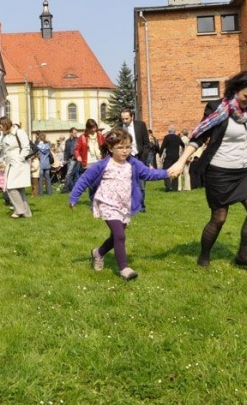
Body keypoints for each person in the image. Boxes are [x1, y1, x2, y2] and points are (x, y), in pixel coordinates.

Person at [168, 70, 247, 271]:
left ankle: (242, 255)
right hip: (218, 172)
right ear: (235, 89)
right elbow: (199, 136)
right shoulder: (217, 107)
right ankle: (204, 255)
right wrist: (180, 161)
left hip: (243, 172)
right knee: (219, 218)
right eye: (246, 96)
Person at [70, 128, 171, 280]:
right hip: (107, 204)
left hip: (124, 205)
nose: (125, 151)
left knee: (116, 237)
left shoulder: (133, 164)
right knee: (120, 235)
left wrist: (167, 173)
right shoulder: (103, 165)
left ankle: (98, 253)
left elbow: (149, 173)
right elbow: (84, 180)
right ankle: (124, 268)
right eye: (120, 148)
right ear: (110, 148)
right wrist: (74, 197)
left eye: (128, 147)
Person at [0, 116, 32, 219]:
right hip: (10, 163)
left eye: (0, 126)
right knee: (18, 189)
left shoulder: (19, 132)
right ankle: (27, 213)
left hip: (19, 163)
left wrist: (20, 158)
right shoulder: (4, 136)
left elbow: (26, 147)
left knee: (10, 187)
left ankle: (19, 210)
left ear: (5, 124)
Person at [119, 110, 151, 211]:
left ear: (132, 117)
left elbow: (146, 143)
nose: (125, 121)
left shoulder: (140, 125)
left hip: (139, 157)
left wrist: (143, 157)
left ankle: (141, 206)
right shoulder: (120, 128)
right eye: (123, 119)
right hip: (126, 159)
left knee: (141, 185)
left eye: (126, 119)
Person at [158, 126, 184, 192]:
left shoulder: (167, 137)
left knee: (165, 170)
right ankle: (175, 187)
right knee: (175, 171)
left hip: (169, 156)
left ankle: (169, 186)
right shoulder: (178, 137)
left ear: (169, 131)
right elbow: (183, 145)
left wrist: (160, 154)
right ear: (175, 131)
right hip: (176, 156)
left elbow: (163, 146)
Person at [62, 127, 80, 193]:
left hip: (75, 159)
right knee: (75, 174)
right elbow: (66, 151)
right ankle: (76, 189)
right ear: (71, 133)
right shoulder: (67, 141)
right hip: (69, 159)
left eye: (76, 133)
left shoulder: (78, 140)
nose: (76, 134)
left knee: (69, 174)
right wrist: (65, 160)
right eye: (74, 133)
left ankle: (65, 188)